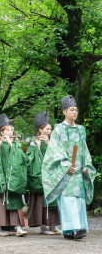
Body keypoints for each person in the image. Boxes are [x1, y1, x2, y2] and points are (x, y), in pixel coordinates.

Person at [42, 95, 96, 240]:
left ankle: (79, 228)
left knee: (78, 199)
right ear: (64, 112)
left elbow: (84, 149)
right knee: (67, 200)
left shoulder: (81, 129)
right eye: (72, 110)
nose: (75, 112)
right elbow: (54, 150)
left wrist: (86, 166)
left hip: (78, 171)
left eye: (76, 110)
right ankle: (71, 229)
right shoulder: (58, 129)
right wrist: (66, 166)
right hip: (65, 171)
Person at [0, 114, 28, 237]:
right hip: (1, 179)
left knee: (14, 200)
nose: (10, 132)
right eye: (8, 130)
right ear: (1, 132)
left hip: (12, 179)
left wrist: (11, 145)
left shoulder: (16, 145)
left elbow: (23, 159)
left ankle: (18, 227)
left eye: (11, 130)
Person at [26, 112, 61, 235]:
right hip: (40, 175)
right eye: (47, 129)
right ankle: (42, 227)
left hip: (52, 174)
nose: (49, 131)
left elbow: (57, 154)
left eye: (50, 129)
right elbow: (30, 159)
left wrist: (48, 143)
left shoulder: (53, 141)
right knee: (41, 201)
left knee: (53, 201)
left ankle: (53, 225)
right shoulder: (33, 143)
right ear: (40, 130)